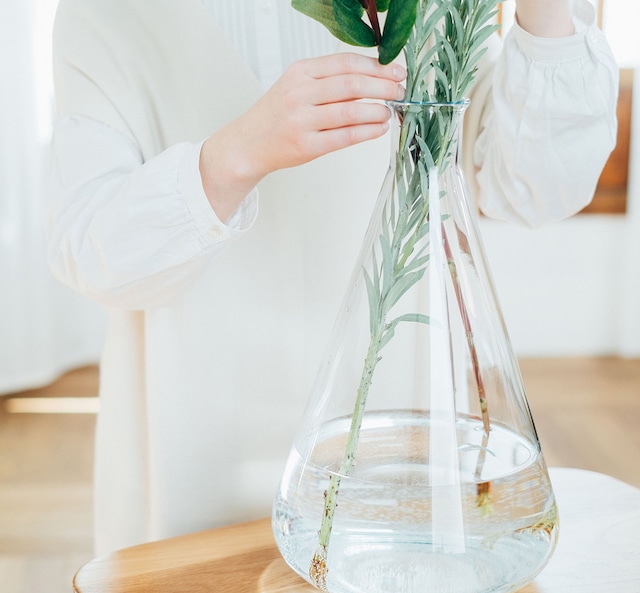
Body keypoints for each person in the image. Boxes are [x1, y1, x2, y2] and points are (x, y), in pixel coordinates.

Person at [47, 0, 618, 556]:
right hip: (187, 468)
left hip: (398, 475)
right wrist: (238, 152)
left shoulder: (439, 8)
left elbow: (535, 189)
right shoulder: (107, 12)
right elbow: (91, 253)